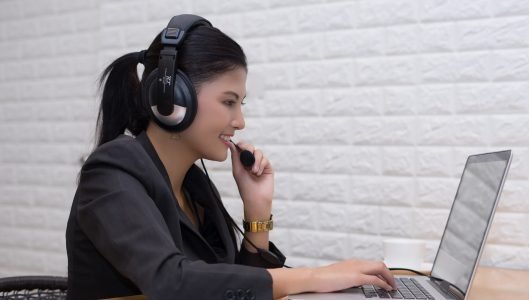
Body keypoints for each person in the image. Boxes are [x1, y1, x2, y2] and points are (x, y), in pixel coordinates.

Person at [65, 14, 396, 300]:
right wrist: (315, 277)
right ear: (171, 100)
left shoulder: (194, 186)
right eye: (228, 102)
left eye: (241, 103)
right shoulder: (111, 173)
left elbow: (228, 288)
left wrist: (257, 212)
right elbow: (173, 283)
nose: (240, 121)